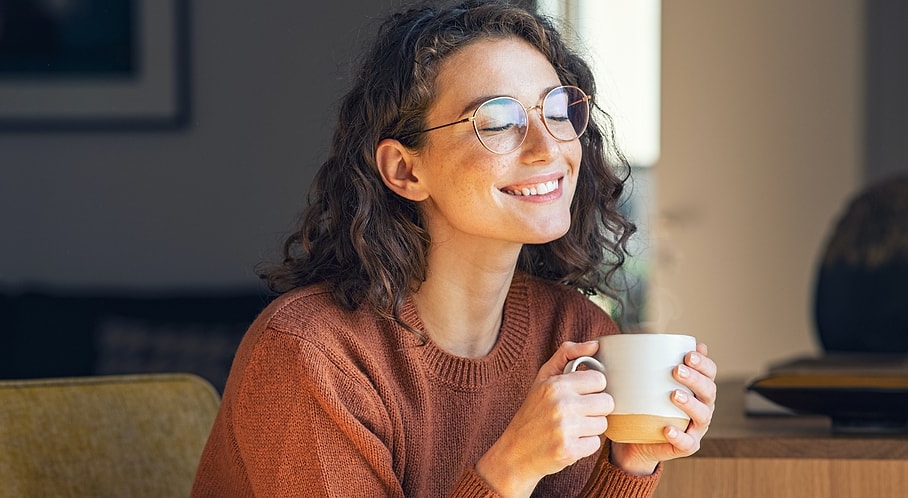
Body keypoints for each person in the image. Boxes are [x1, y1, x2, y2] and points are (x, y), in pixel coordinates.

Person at [191, 1, 717, 496]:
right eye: (497, 122)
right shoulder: (312, 355)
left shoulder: (577, 335)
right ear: (405, 169)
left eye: (557, 110)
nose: (547, 148)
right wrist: (511, 467)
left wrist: (630, 462)